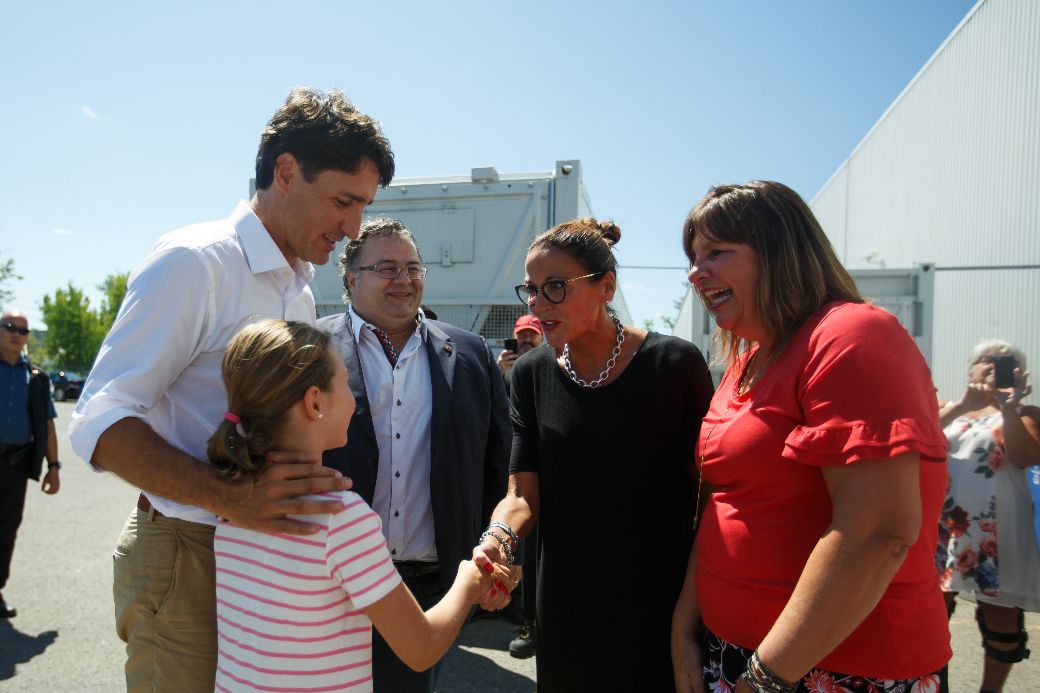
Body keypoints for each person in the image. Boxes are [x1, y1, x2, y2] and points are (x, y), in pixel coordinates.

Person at [68, 87, 395, 692]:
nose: (353, 228)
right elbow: (99, 421)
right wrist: (227, 496)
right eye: (344, 202)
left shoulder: (297, 289)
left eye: (363, 207)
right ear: (287, 172)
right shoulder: (195, 264)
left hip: (255, 554)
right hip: (186, 550)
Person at [671, 181, 951, 693]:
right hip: (737, 654)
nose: (695, 271)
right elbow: (721, 504)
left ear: (779, 252)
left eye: (716, 252)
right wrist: (682, 631)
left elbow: (877, 534)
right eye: (693, 257)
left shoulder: (851, 334)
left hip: (834, 668)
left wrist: (765, 679)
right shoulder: (748, 361)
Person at [208, 319, 516, 692]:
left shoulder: (231, 495)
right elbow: (420, 648)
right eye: (346, 383)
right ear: (316, 402)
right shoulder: (341, 518)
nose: (355, 398)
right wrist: (468, 582)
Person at [473, 217, 714, 691]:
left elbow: (709, 498)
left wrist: (691, 619)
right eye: (533, 290)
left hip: (660, 603)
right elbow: (522, 492)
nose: (539, 305)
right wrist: (497, 540)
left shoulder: (676, 366)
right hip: (566, 608)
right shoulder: (530, 374)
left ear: (607, 287)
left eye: (556, 287)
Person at [318, 217, 511, 693]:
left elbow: (498, 465)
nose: (404, 280)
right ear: (350, 278)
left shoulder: (469, 354)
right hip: (329, 581)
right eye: (386, 267)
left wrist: (502, 554)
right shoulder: (311, 347)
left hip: (427, 583)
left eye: (413, 267)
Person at [937, 339, 1040, 692]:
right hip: (943, 525)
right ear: (970, 370)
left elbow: (1025, 456)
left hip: (998, 524)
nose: (993, 366)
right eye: (985, 360)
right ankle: (932, 683)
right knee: (933, 610)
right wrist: (963, 406)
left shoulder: (1027, 414)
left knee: (999, 615)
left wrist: (1009, 408)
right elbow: (917, 441)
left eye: (1002, 361)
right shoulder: (947, 408)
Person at [0, 310, 61, 619]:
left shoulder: (36, 378)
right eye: (10, 327)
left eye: (23, 331)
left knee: (7, 528)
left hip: (13, 463)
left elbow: (48, 425)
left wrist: (54, 466)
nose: (16, 334)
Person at [495, 312, 544, 658]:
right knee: (518, 545)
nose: (525, 341)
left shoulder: (550, 368)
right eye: (521, 336)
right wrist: (501, 374)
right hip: (511, 471)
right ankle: (525, 615)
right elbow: (492, 411)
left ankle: (540, 621)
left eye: (531, 335)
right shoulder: (509, 374)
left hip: (547, 474)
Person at [496, 313, 544, 386]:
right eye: (522, 335)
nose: (527, 339)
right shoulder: (504, 365)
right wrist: (498, 371)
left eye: (533, 335)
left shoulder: (549, 364)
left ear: (542, 338)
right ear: (514, 336)